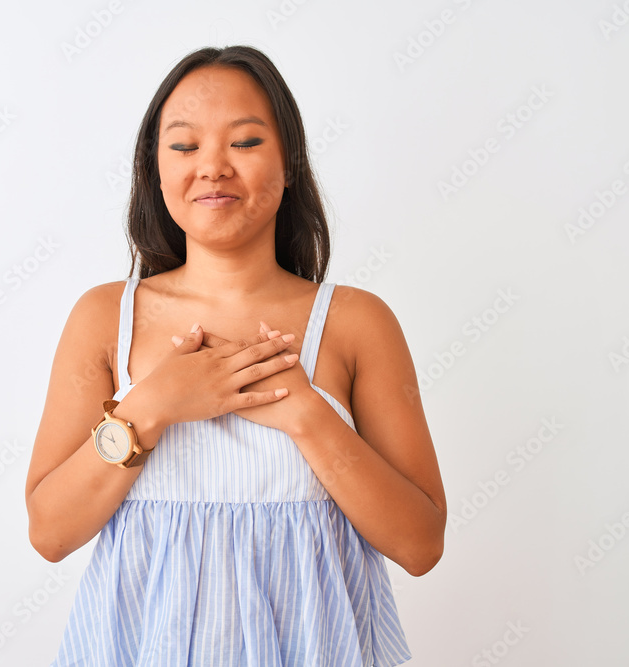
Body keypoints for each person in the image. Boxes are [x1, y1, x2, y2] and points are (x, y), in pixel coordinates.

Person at [25, 44, 446, 666]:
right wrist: (150, 408)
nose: (213, 167)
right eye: (184, 146)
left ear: (290, 163)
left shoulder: (358, 322)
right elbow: (50, 534)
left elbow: (420, 545)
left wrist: (306, 415)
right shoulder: (105, 317)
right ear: (155, 169)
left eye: (245, 142)